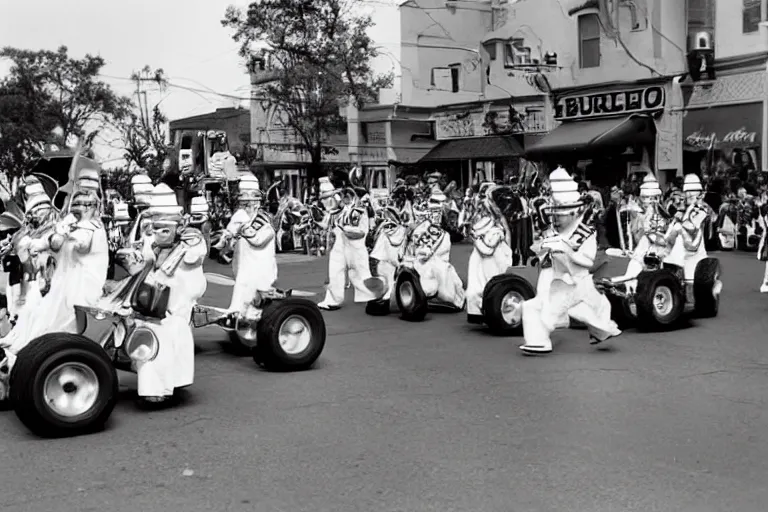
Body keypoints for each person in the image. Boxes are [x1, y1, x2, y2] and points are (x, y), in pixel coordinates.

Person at [1, 187, 109, 367]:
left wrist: (63, 232)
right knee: (36, 316)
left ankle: (50, 360)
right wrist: (30, 243)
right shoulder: (71, 224)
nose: (79, 208)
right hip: (62, 285)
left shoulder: (93, 228)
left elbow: (79, 244)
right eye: (76, 203)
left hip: (81, 288)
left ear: (93, 206)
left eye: (84, 204)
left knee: (59, 326)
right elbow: (48, 243)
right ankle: (23, 356)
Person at [519, 166, 621, 354]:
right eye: (554, 214)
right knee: (534, 306)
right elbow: (541, 248)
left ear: (574, 212)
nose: (555, 218)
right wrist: (543, 246)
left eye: (560, 214)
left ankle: (599, 331)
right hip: (555, 277)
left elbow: (587, 261)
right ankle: (538, 341)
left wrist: (566, 250)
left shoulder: (585, 232)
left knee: (564, 310)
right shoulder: (555, 229)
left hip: (576, 281)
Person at [134, 183, 207, 405]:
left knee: (167, 339)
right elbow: (144, 263)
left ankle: (165, 385)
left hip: (175, 305)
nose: (157, 235)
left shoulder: (189, 244)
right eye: (154, 229)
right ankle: (152, 385)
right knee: (149, 337)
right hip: (153, 302)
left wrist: (191, 242)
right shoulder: (152, 244)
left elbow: (195, 260)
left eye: (163, 230)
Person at [317, 177, 385, 311]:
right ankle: (333, 300)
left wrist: (347, 229)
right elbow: (327, 225)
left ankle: (378, 296)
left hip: (355, 244)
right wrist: (317, 219)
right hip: (339, 244)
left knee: (360, 272)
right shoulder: (338, 211)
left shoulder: (359, 210)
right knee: (335, 272)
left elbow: (360, 231)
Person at [217, 175, 277, 315]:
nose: (244, 207)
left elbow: (258, 240)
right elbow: (231, 239)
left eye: (247, 203)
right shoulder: (240, 217)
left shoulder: (263, 221)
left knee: (256, 306)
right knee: (240, 302)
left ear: (256, 202)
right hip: (243, 270)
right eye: (242, 203)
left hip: (259, 272)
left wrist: (242, 227)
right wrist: (226, 238)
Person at [465, 182, 513, 324]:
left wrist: (477, 239)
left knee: (489, 283)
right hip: (486, 259)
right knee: (482, 284)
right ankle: (485, 311)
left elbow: (488, 247)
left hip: (490, 258)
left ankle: (490, 310)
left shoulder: (495, 226)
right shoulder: (488, 223)